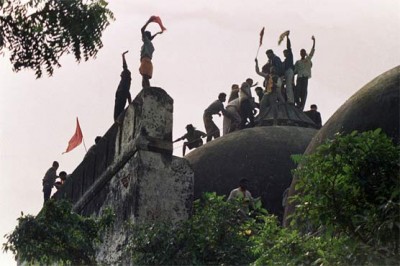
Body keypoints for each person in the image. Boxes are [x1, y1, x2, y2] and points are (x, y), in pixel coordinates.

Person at [139, 18, 163, 88]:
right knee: (145, 79)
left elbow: (142, 30)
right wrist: (157, 33)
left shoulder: (146, 42)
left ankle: (147, 92)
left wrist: (148, 22)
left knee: (144, 79)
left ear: (146, 37)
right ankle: (147, 90)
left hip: (145, 61)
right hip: (148, 62)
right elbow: (151, 38)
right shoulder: (150, 44)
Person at [294, 35, 316, 110]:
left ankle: (301, 106)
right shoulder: (298, 62)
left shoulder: (308, 59)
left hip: (305, 78)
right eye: (301, 52)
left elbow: (312, 51)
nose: (302, 53)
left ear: (305, 53)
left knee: (304, 93)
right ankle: (298, 104)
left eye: (303, 52)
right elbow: (295, 71)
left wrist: (314, 41)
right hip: (299, 78)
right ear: (300, 53)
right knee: (297, 92)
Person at [114, 51, 132, 122]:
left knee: (118, 113)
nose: (120, 75)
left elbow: (125, 66)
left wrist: (123, 56)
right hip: (120, 97)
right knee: (117, 114)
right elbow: (128, 94)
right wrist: (130, 103)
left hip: (121, 96)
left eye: (121, 74)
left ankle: (118, 121)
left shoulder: (125, 80)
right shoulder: (125, 83)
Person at [282, 31, 295, 104]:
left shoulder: (290, 56)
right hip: (286, 72)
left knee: (289, 86)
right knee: (287, 86)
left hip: (289, 71)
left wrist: (287, 37)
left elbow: (289, 47)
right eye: (284, 53)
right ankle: (288, 99)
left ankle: (291, 100)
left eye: (285, 52)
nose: (284, 54)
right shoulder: (285, 61)